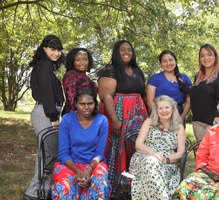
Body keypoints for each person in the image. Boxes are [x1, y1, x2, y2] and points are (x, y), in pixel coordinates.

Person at [97, 40, 148, 195]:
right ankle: (115, 186)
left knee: (137, 147)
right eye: (122, 50)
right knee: (117, 147)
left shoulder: (137, 71)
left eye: (129, 49)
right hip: (119, 114)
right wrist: (115, 120)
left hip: (138, 117)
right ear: (116, 52)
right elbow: (106, 96)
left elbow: (143, 94)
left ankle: (135, 185)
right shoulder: (110, 70)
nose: (127, 52)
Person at [23, 35, 65, 200]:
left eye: (58, 50)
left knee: (50, 154)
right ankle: (32, 194)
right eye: (52, 49)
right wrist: (53, 116)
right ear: (44, 49)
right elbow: (47, 93)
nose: (56, 53)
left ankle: (44, 192)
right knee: (47, 155)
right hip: (46, 112)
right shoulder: (45, 65)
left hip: (47, 111)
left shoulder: (45, 66)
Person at [51, 88, 111, 199]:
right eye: (82, 104)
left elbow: (99, 153)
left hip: (94, 164)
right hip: (70, 164)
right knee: (63, 185)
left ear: (95, 104)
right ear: (76, 104)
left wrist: (89, 170)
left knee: (100, 182)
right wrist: (78, 171)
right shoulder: (67, 119)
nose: (86, 107)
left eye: (90, 103)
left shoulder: (102, 120)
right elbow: (63, 153)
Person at [129, 95, 186, 199]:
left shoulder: (179, 127)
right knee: (151, 162)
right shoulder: (149, 122)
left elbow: (180, 152)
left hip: (167, 163)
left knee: (152, 168)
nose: (164, 111)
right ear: (156, 110)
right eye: (160, 108)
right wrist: (153, 154)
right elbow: (139, 144)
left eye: (167, 107)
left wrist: (165, 160)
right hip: (144, 157)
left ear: (173, 109)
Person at [190, 43, 219, 142]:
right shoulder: (198, 77)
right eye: (202, 56)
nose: (206, 58)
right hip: (197, 122)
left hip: (213, 123)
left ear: (215, 56)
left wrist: (216, 122)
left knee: (211, 154)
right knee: (200, 153)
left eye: (209, 54)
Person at [147, 50, 192, 124]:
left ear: (175, 61)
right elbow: (149, 101)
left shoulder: (185, 78)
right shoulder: (155, 78)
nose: (168, 63)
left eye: (171, 60)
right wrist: (160, 116)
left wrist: (182, 117)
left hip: (178, 114)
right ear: (160, 64)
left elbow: (189, 101)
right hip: (159, 114)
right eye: (164, 61)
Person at [61, 47, 98, 116]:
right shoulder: (71, 75)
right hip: (75, 116)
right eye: (78, 60)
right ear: (72, 61)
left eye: (85, 59)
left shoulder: (85, 76)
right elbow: (71, 99)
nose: (82, 63)